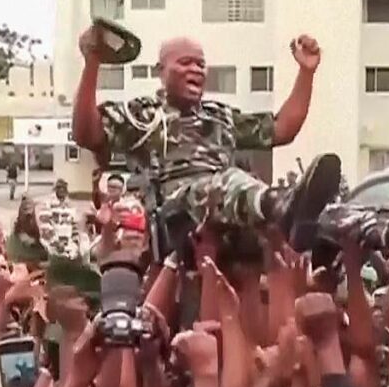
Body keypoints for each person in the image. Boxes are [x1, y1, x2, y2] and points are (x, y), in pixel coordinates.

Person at [72, 28, 342, 255]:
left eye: (200, 64)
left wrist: (306, 73)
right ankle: (276, 204)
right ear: (161, 71)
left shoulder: (220, 116)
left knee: (317, 224)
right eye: (185, 63)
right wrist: (92, 63)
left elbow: (282, 129)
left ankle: (360, 228)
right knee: (226, 184)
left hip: (229, 215)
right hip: (177, 219)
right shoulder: (144, 115)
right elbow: (86, 133)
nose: (196, 70)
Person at [39, 179, 85, 260]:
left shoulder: (71, 206)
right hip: (51, 246)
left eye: (64, 188)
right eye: (59, 188)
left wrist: (75, 245)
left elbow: (75, 228)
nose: (62, 190)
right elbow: (45, 228)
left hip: (69, 245)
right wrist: (56, 243)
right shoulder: (47, 204)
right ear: (55, 189)